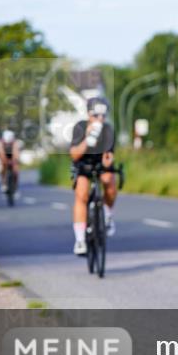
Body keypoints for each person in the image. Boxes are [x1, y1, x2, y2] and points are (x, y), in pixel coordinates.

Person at [69, 97, 117, 255]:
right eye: (96, 116)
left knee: (109, 181)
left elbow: (108, 156)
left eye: (103, 116)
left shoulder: (108, 130)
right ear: (89, 115)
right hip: (83, 164)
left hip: (100, 163)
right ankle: (80, 240)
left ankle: (107, 214)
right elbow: (74, 155)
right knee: (81, 193)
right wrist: (87, 140)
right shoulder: (80, 127)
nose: (100, 119)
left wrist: (108, 162)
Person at [0, 129, 21, 195]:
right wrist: (5, 161)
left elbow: (16, 152)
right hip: (4, 157)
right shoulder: (0, 143)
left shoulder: (15, 142)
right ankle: (3, 183)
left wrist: (15, 160)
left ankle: (15, 185)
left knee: (16, 169)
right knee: (2, 167)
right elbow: (1, 153)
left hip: (12, 156)